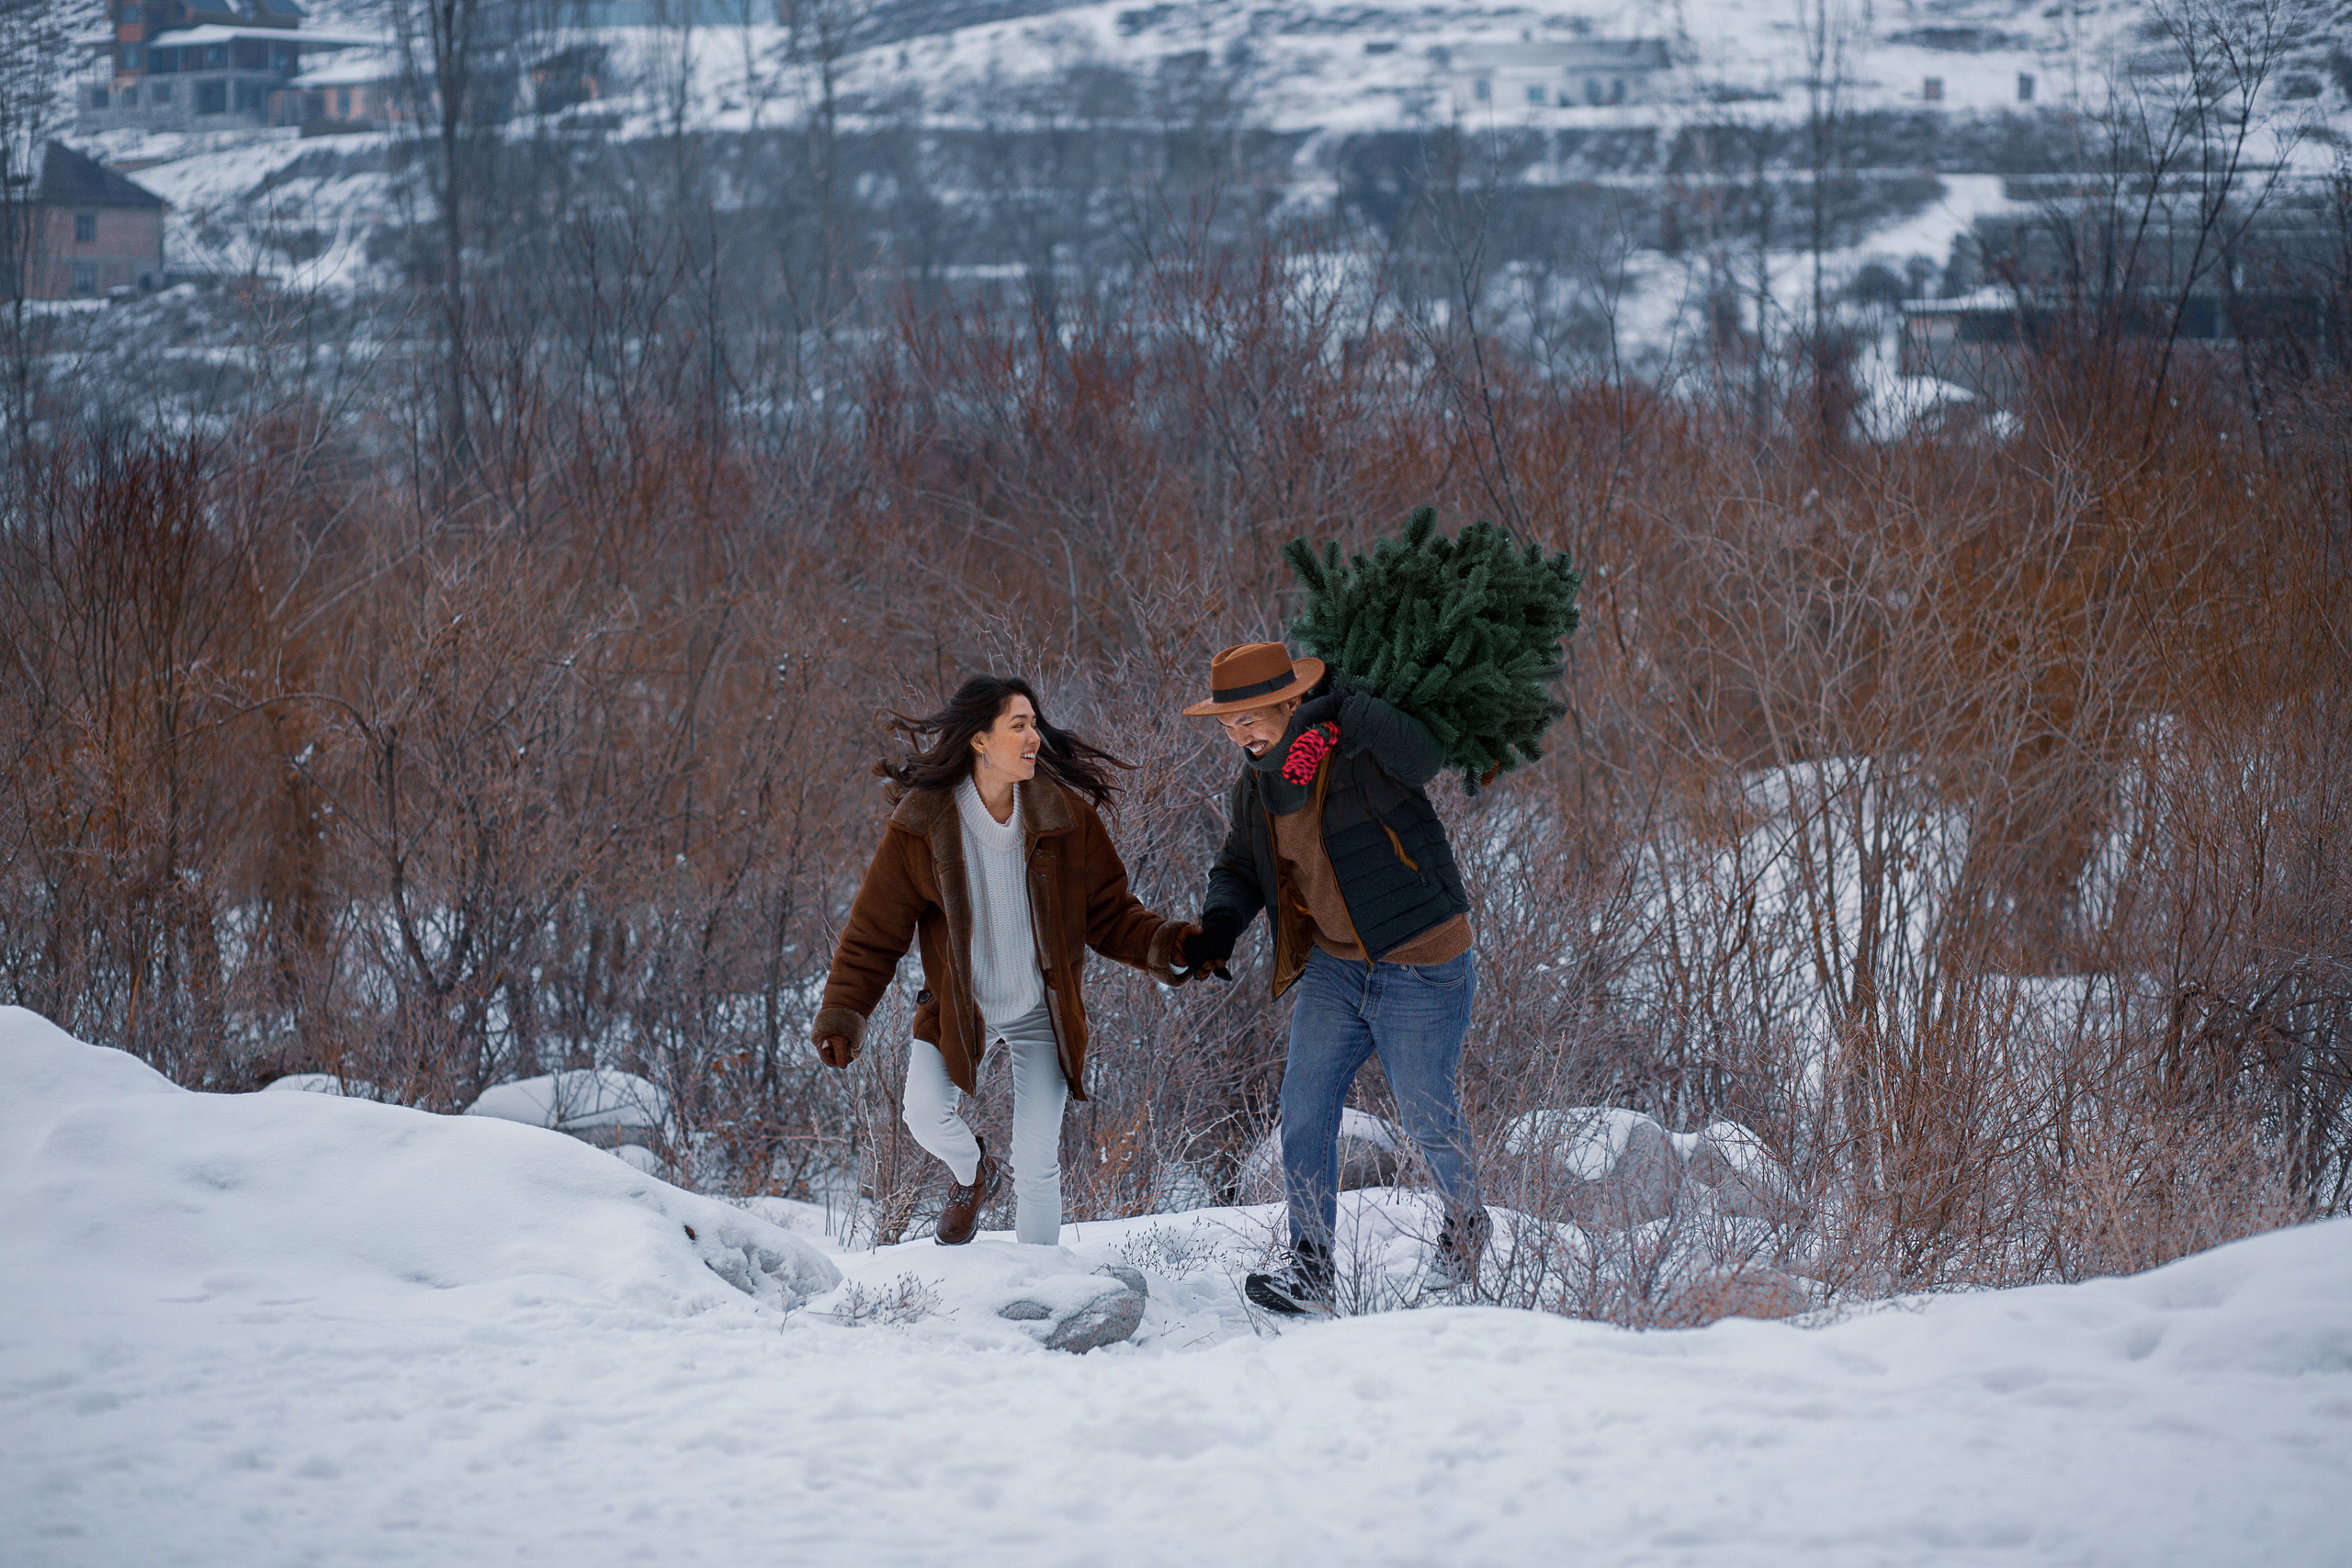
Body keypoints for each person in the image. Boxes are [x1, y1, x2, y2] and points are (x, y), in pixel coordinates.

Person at [811, 676, 1194, 1247]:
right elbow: (874, 933)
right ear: (979, 741)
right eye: (1019, 725)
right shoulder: (923, 824)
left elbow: (1111, 915)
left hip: (1042, 1011)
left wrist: (1174, 945)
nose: (1034, 736)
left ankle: (1039, 1293)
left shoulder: (1065, 818)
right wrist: (843, 1011)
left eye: (1035, 723)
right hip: (959, 1008)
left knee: (1038, 1165)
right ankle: (973, 1173)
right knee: (922, 1113)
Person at [1180, 641, 1487, 1313]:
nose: (1240, 735)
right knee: (1304, 1107)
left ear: (1293, 703)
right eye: (1228, 724)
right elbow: (1238, 865)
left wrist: (1353, 707)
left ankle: (1467, 1228)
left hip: (1421, 961)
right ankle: (1311, 1270)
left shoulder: (1357, 749)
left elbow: (1426, 757)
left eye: (1252, 717)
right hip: (1336, 969)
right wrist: (1218, 925)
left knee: (1426, 1117)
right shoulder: (1257, 782)